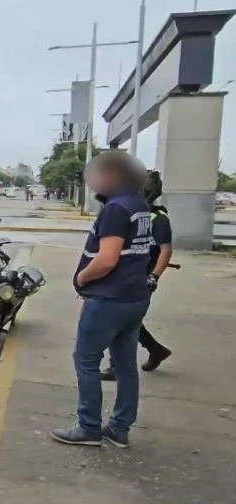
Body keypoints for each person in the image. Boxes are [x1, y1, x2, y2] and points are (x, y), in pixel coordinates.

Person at [51, 151, 152, 449]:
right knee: (125, 364)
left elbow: (107, 260)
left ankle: (88, 427)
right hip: (135, 298)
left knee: (86, 360)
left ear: (113, 177)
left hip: (109, 299)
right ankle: (120, 428)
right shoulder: (139, 206)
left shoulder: (116, 210)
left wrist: (82, 278)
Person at [100, 170, 173, 380]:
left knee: (119, 320)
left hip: (141, 277)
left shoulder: (158, 218)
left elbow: (166, 250)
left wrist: (154, 277)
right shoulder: (132, 212)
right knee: (126, 321)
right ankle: (155, 350)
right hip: (124, 274)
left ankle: (118, 366)